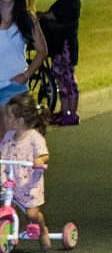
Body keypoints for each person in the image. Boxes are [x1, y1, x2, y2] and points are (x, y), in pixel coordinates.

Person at [1, 91, 51, 251]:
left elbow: (44, 154)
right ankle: (7, 233)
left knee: (31, 215)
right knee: (5, 207)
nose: (4, 119)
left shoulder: (34, 138)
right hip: (11, 183)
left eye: (8, 117)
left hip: (28, 184)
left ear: (19, 121)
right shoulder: (8, 136)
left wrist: (39, 160)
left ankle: (42, 230)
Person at [0, 0, 48, 133]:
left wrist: (26, 75)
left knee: (11, 142)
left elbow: (42, 51)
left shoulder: (26, 18)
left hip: (13, 88)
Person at [38, 0, 82, 126]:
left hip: (66, 46)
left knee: (68, 78)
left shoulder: (72, 0)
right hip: (58, 46)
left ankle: (72, 113)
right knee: (60, 77)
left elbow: (55, 16)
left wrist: (41, 15)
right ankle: (64, 111)